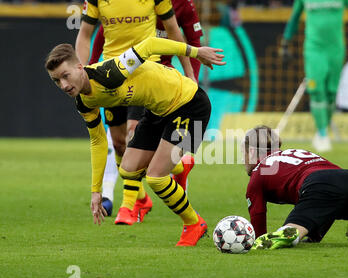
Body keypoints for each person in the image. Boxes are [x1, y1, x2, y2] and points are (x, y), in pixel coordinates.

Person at [45, 36, 226, 246]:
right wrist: (96, 191)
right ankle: (179, 167)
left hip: (189, 104)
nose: (64, 85)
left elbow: (150, 44)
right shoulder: (84, 102)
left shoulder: (110, 72)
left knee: (156, 178)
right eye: (57, 80)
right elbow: (98, 142)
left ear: (79, 67)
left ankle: (194, 223)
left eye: (65, 76)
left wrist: (196, 52)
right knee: (128, 169)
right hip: (157, 112)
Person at [76, 0, 198, 225]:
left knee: (134, 132)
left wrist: (189, 70)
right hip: (110, 74)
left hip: (143, 72)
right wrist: (82, 71)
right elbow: (85, 34)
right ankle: (170, 174)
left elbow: (172, 28)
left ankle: (127, 206)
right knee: (120, 144)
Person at [279, 0, 348, 152]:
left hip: (336, 49)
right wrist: (285, 42)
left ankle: (322, 131)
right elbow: (294, 17)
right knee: (316, 90)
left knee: (331, 93)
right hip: (313, 49)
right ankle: (322, 134)